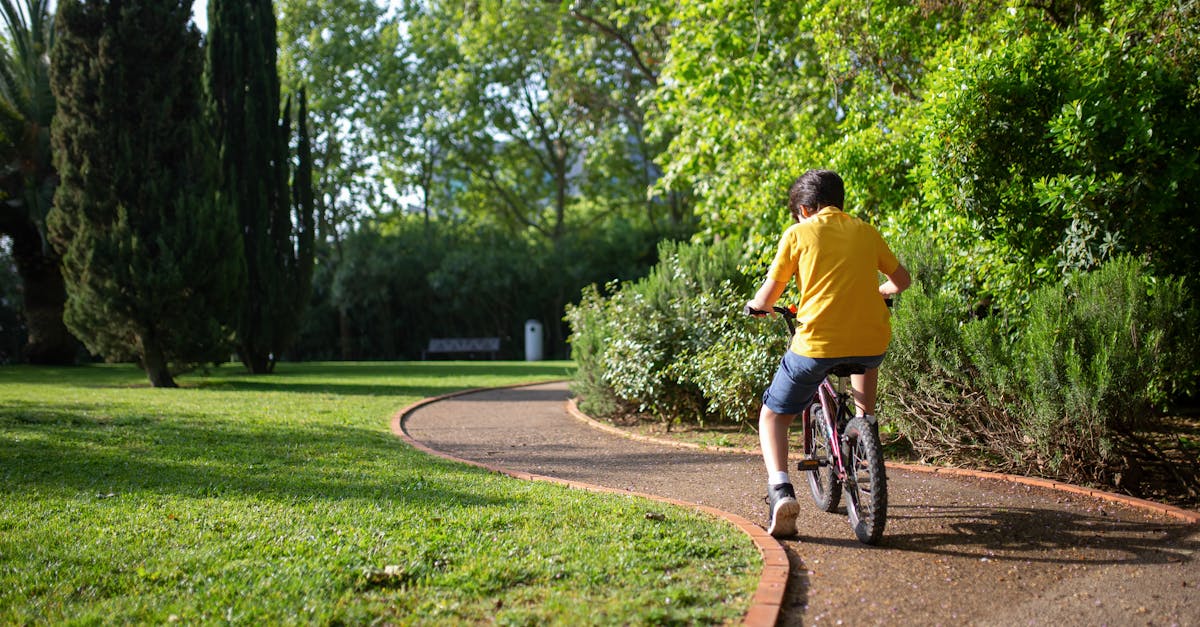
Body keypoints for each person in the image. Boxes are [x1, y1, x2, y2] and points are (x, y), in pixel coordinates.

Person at [744, 169, 911, 538]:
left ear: (805, 209)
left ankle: (781, 492)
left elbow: (769, 295)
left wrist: (757, 306)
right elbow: (902, 281)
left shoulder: (798, 234)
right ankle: (864, 432)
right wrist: (880, 292)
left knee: (772, 415)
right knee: (863, 360)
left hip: (817, 345)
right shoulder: (866, 231)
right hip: (872, 342)